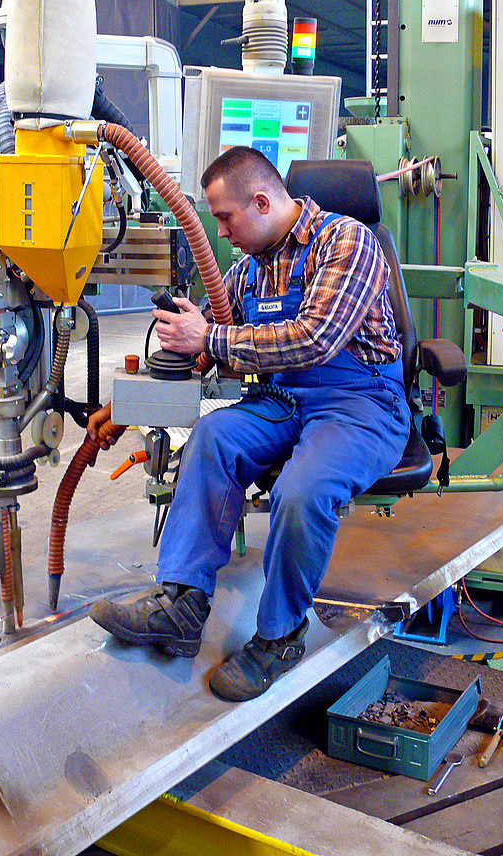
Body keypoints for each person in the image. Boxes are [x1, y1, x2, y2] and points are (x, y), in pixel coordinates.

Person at [87, 145, 409, 702]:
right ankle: (183, 604)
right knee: (213, 437)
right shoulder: (247, 269)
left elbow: (315, 338)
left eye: (225, 218)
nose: (222, 230)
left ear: (260, 202)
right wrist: (142, 393)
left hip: (359, 405)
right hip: (282, 400)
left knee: (302, 489)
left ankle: (281, 636)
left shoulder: (347, 243)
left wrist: (210, 338)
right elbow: (210, 341)